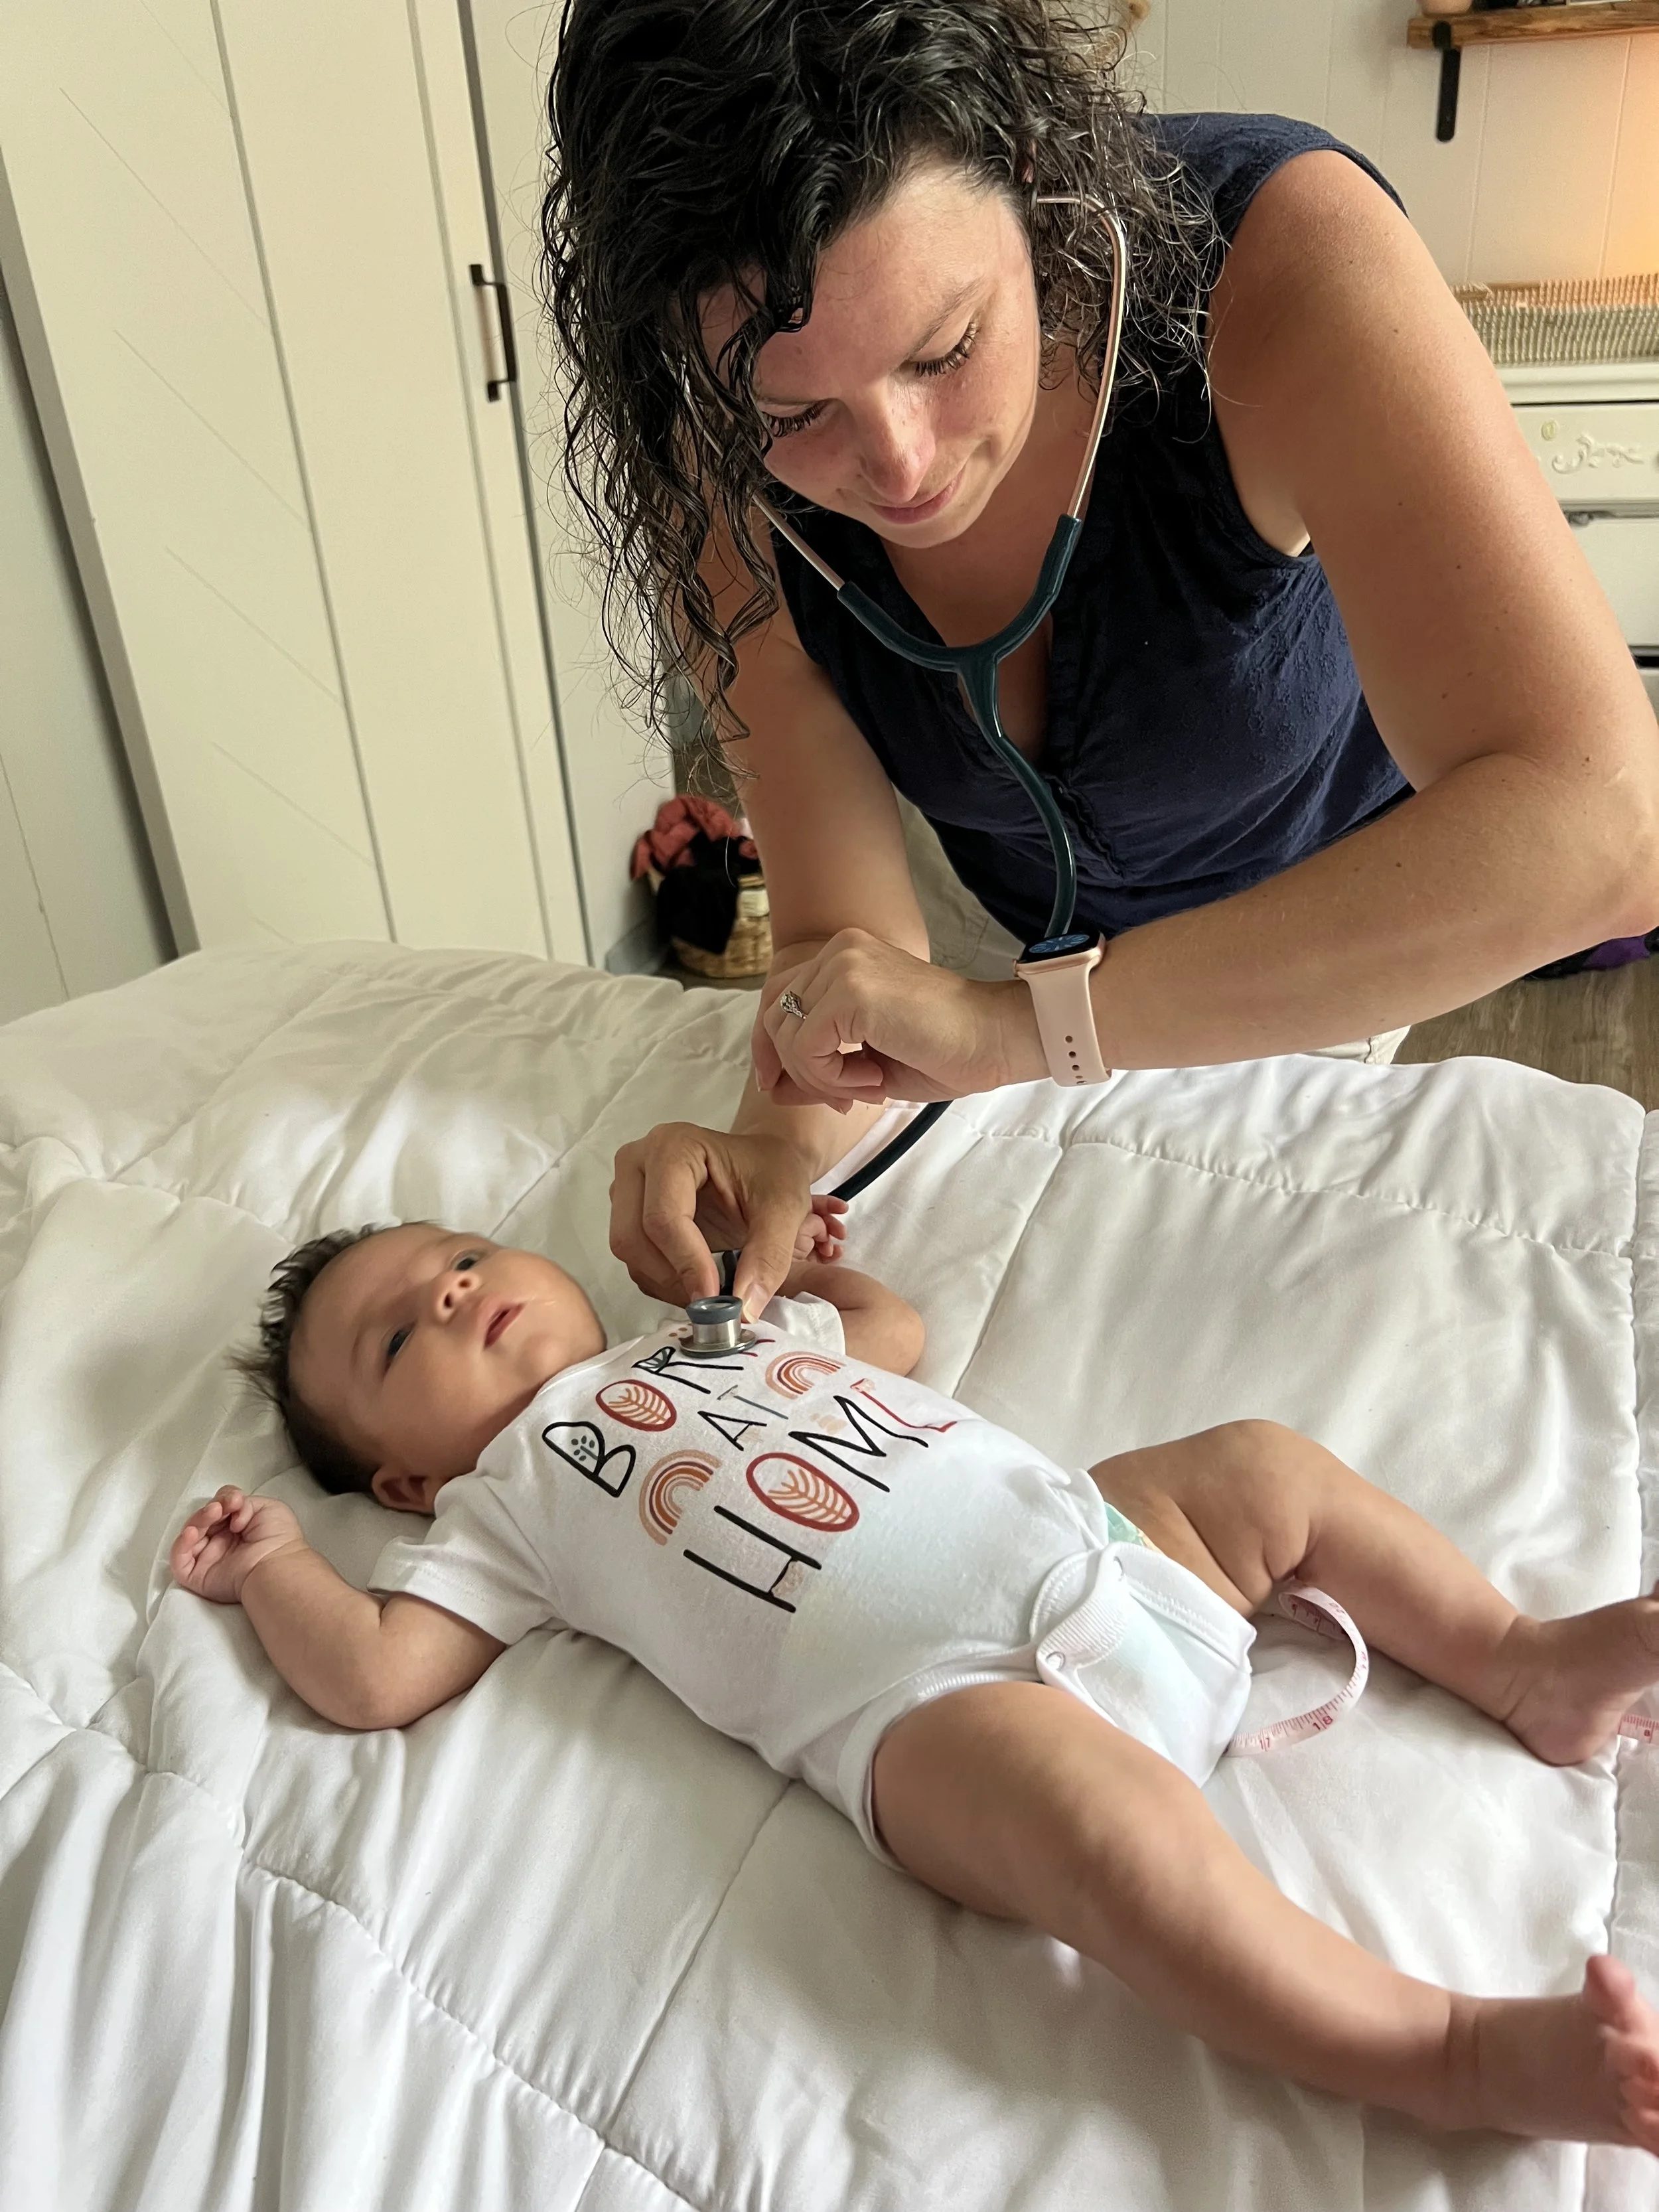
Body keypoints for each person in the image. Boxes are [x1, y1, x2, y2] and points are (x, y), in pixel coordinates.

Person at [539, 1, 1659, 1317]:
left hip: (1321, 935)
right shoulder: (704, 444)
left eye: (943, 350)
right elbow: (845, 924)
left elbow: (1600, 826)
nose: (899, 469)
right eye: (794, 413)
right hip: (984, 951)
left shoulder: (1284, 261)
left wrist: (1029, 1032)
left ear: (1031, 170)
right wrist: (776, 1147)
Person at [173, 1224, 1659, 2148]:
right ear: (403, 1475)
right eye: (398, 1334)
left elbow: (886, 1339)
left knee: (1260, 1466)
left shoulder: (707, 1334)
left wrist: (811, 1260)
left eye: (462, 1259)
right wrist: (276, 1566)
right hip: (935, 1711)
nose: (454, 1297)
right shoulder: (502, 1504)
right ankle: (1448, 2053)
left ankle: (1524, 1665)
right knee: (1110, 1844)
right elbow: (375, 1674)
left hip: (1103, 1551)